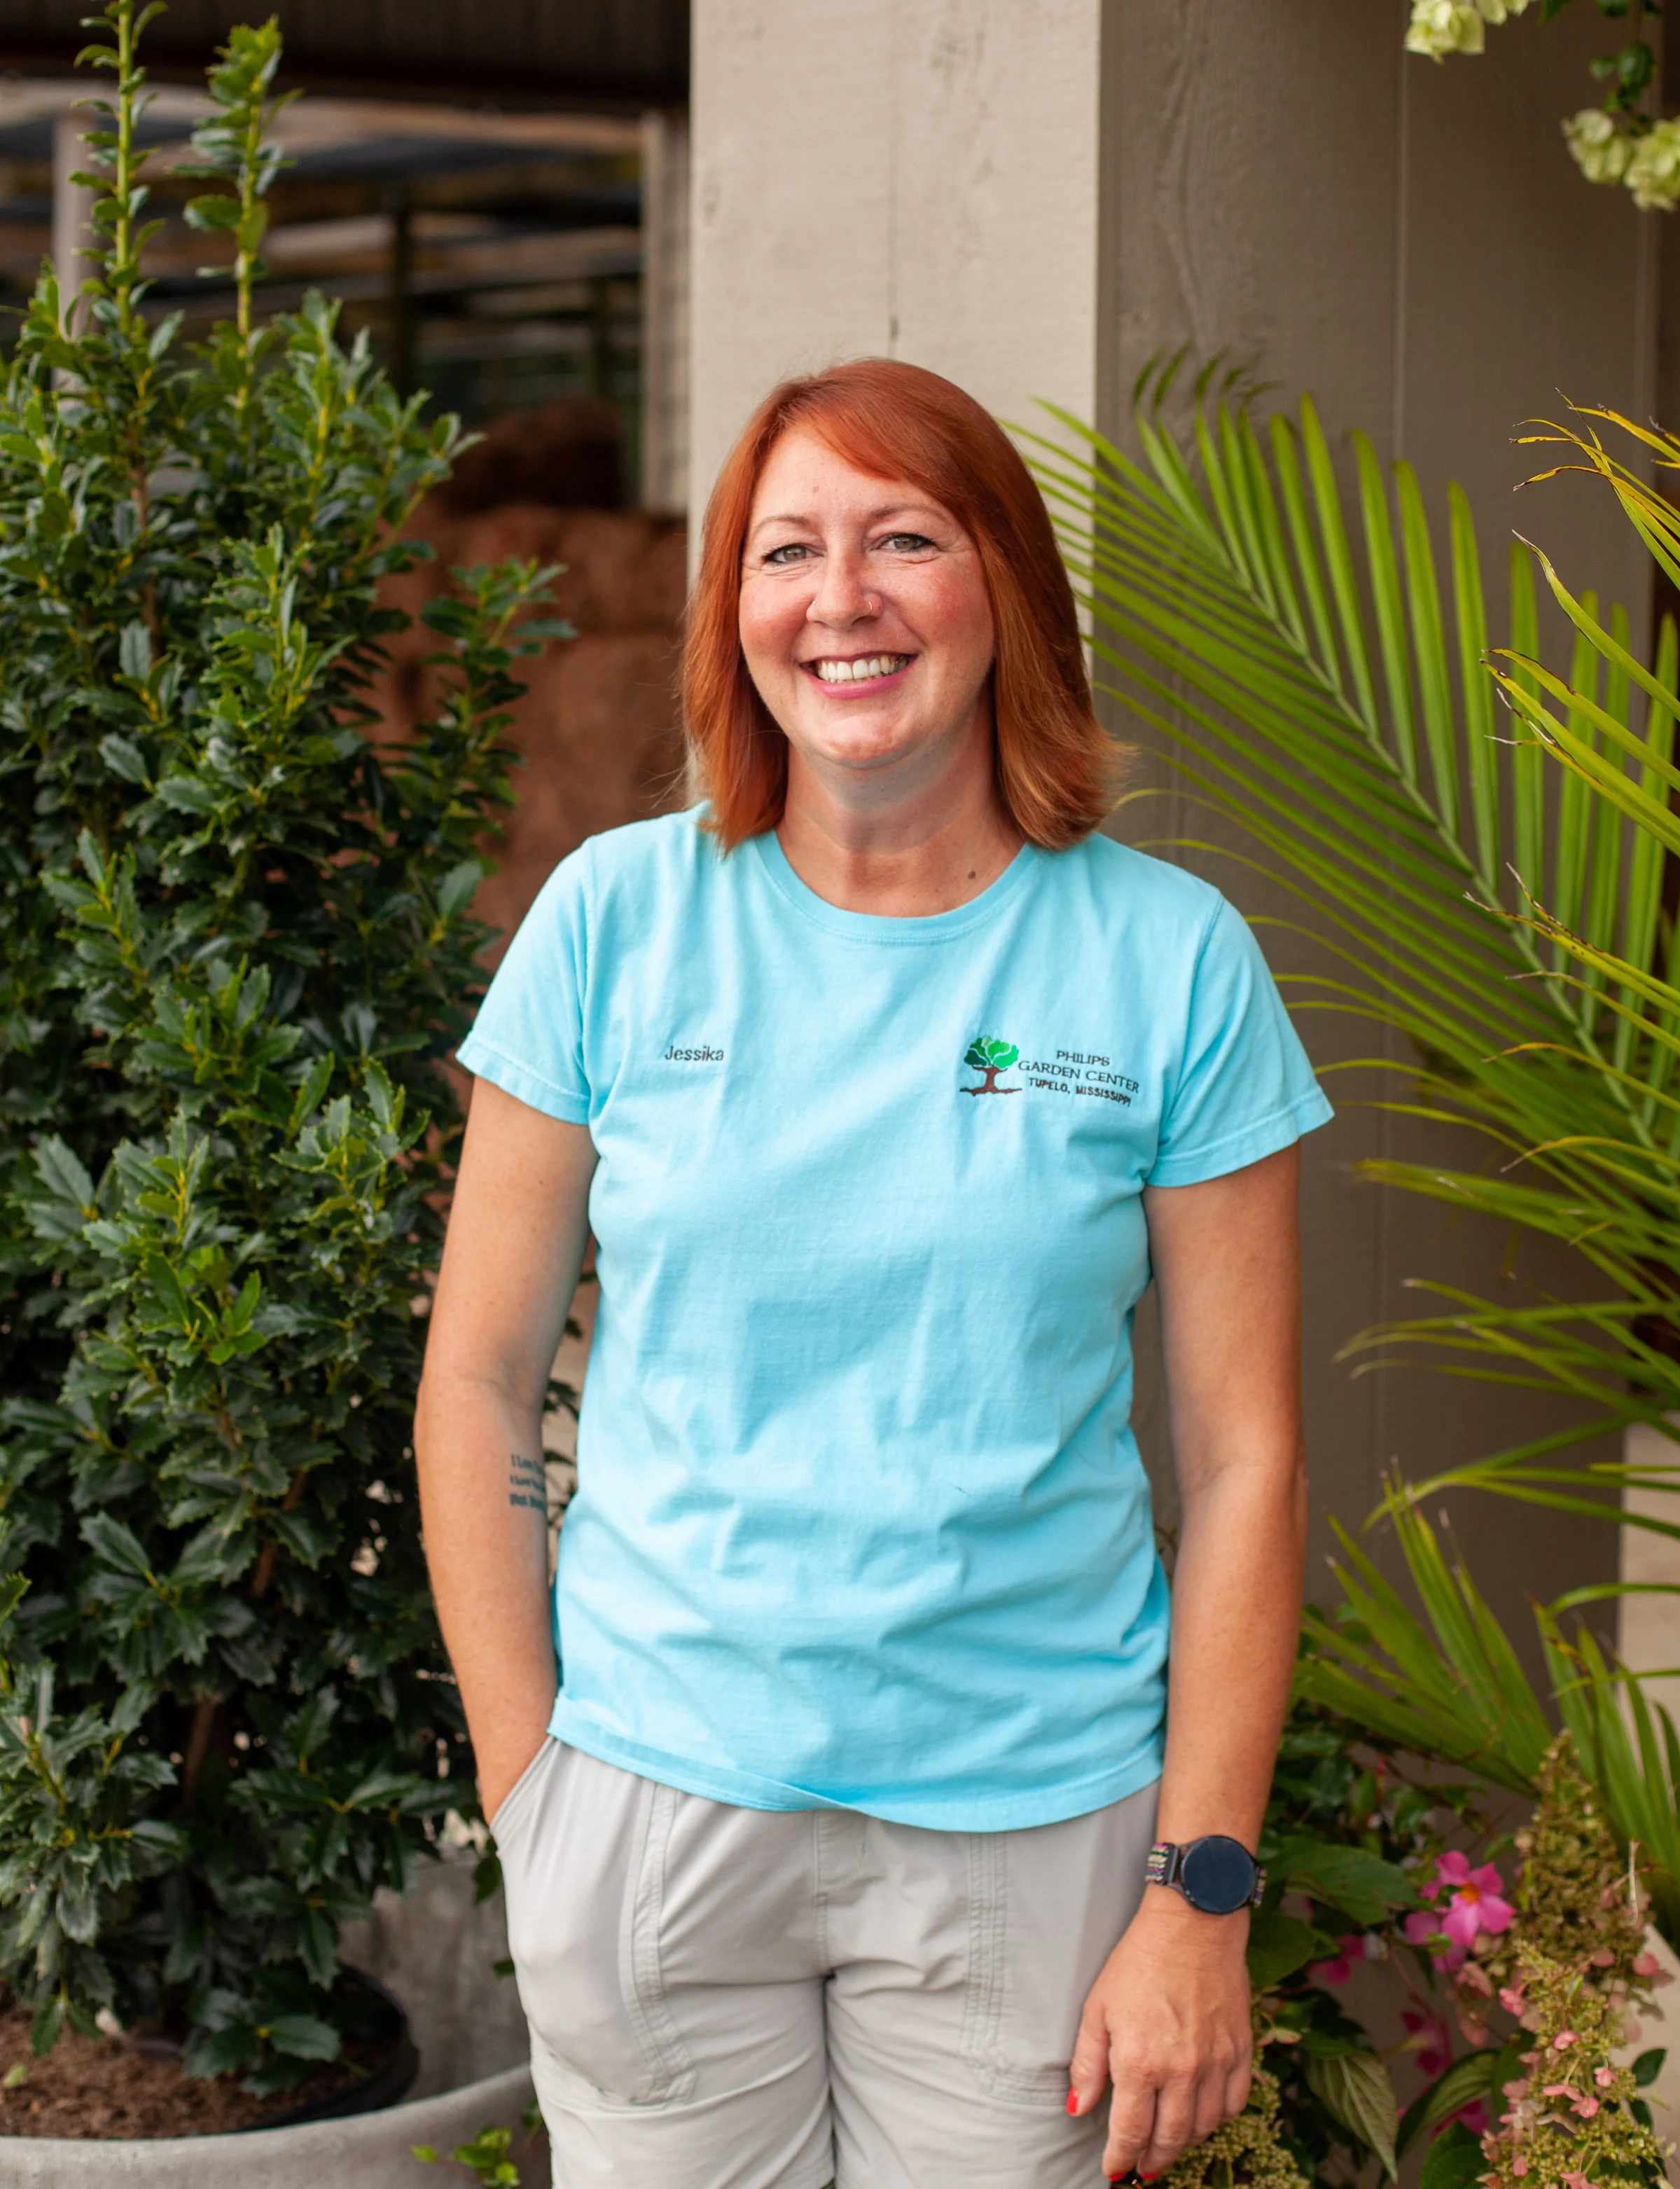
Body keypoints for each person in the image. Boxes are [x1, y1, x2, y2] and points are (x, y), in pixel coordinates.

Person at [414, 357, 1331, 2189]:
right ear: (732, 610)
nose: (841, 598)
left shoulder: (1168, 964)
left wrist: (1200, 1890)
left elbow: (1242, 1463)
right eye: (787, 549)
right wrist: (538, 1796)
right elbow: (476, 1378)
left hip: (1027, 1825)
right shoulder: (614, 920)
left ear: (1003, 587)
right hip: (656, 1807)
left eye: (904, 537)